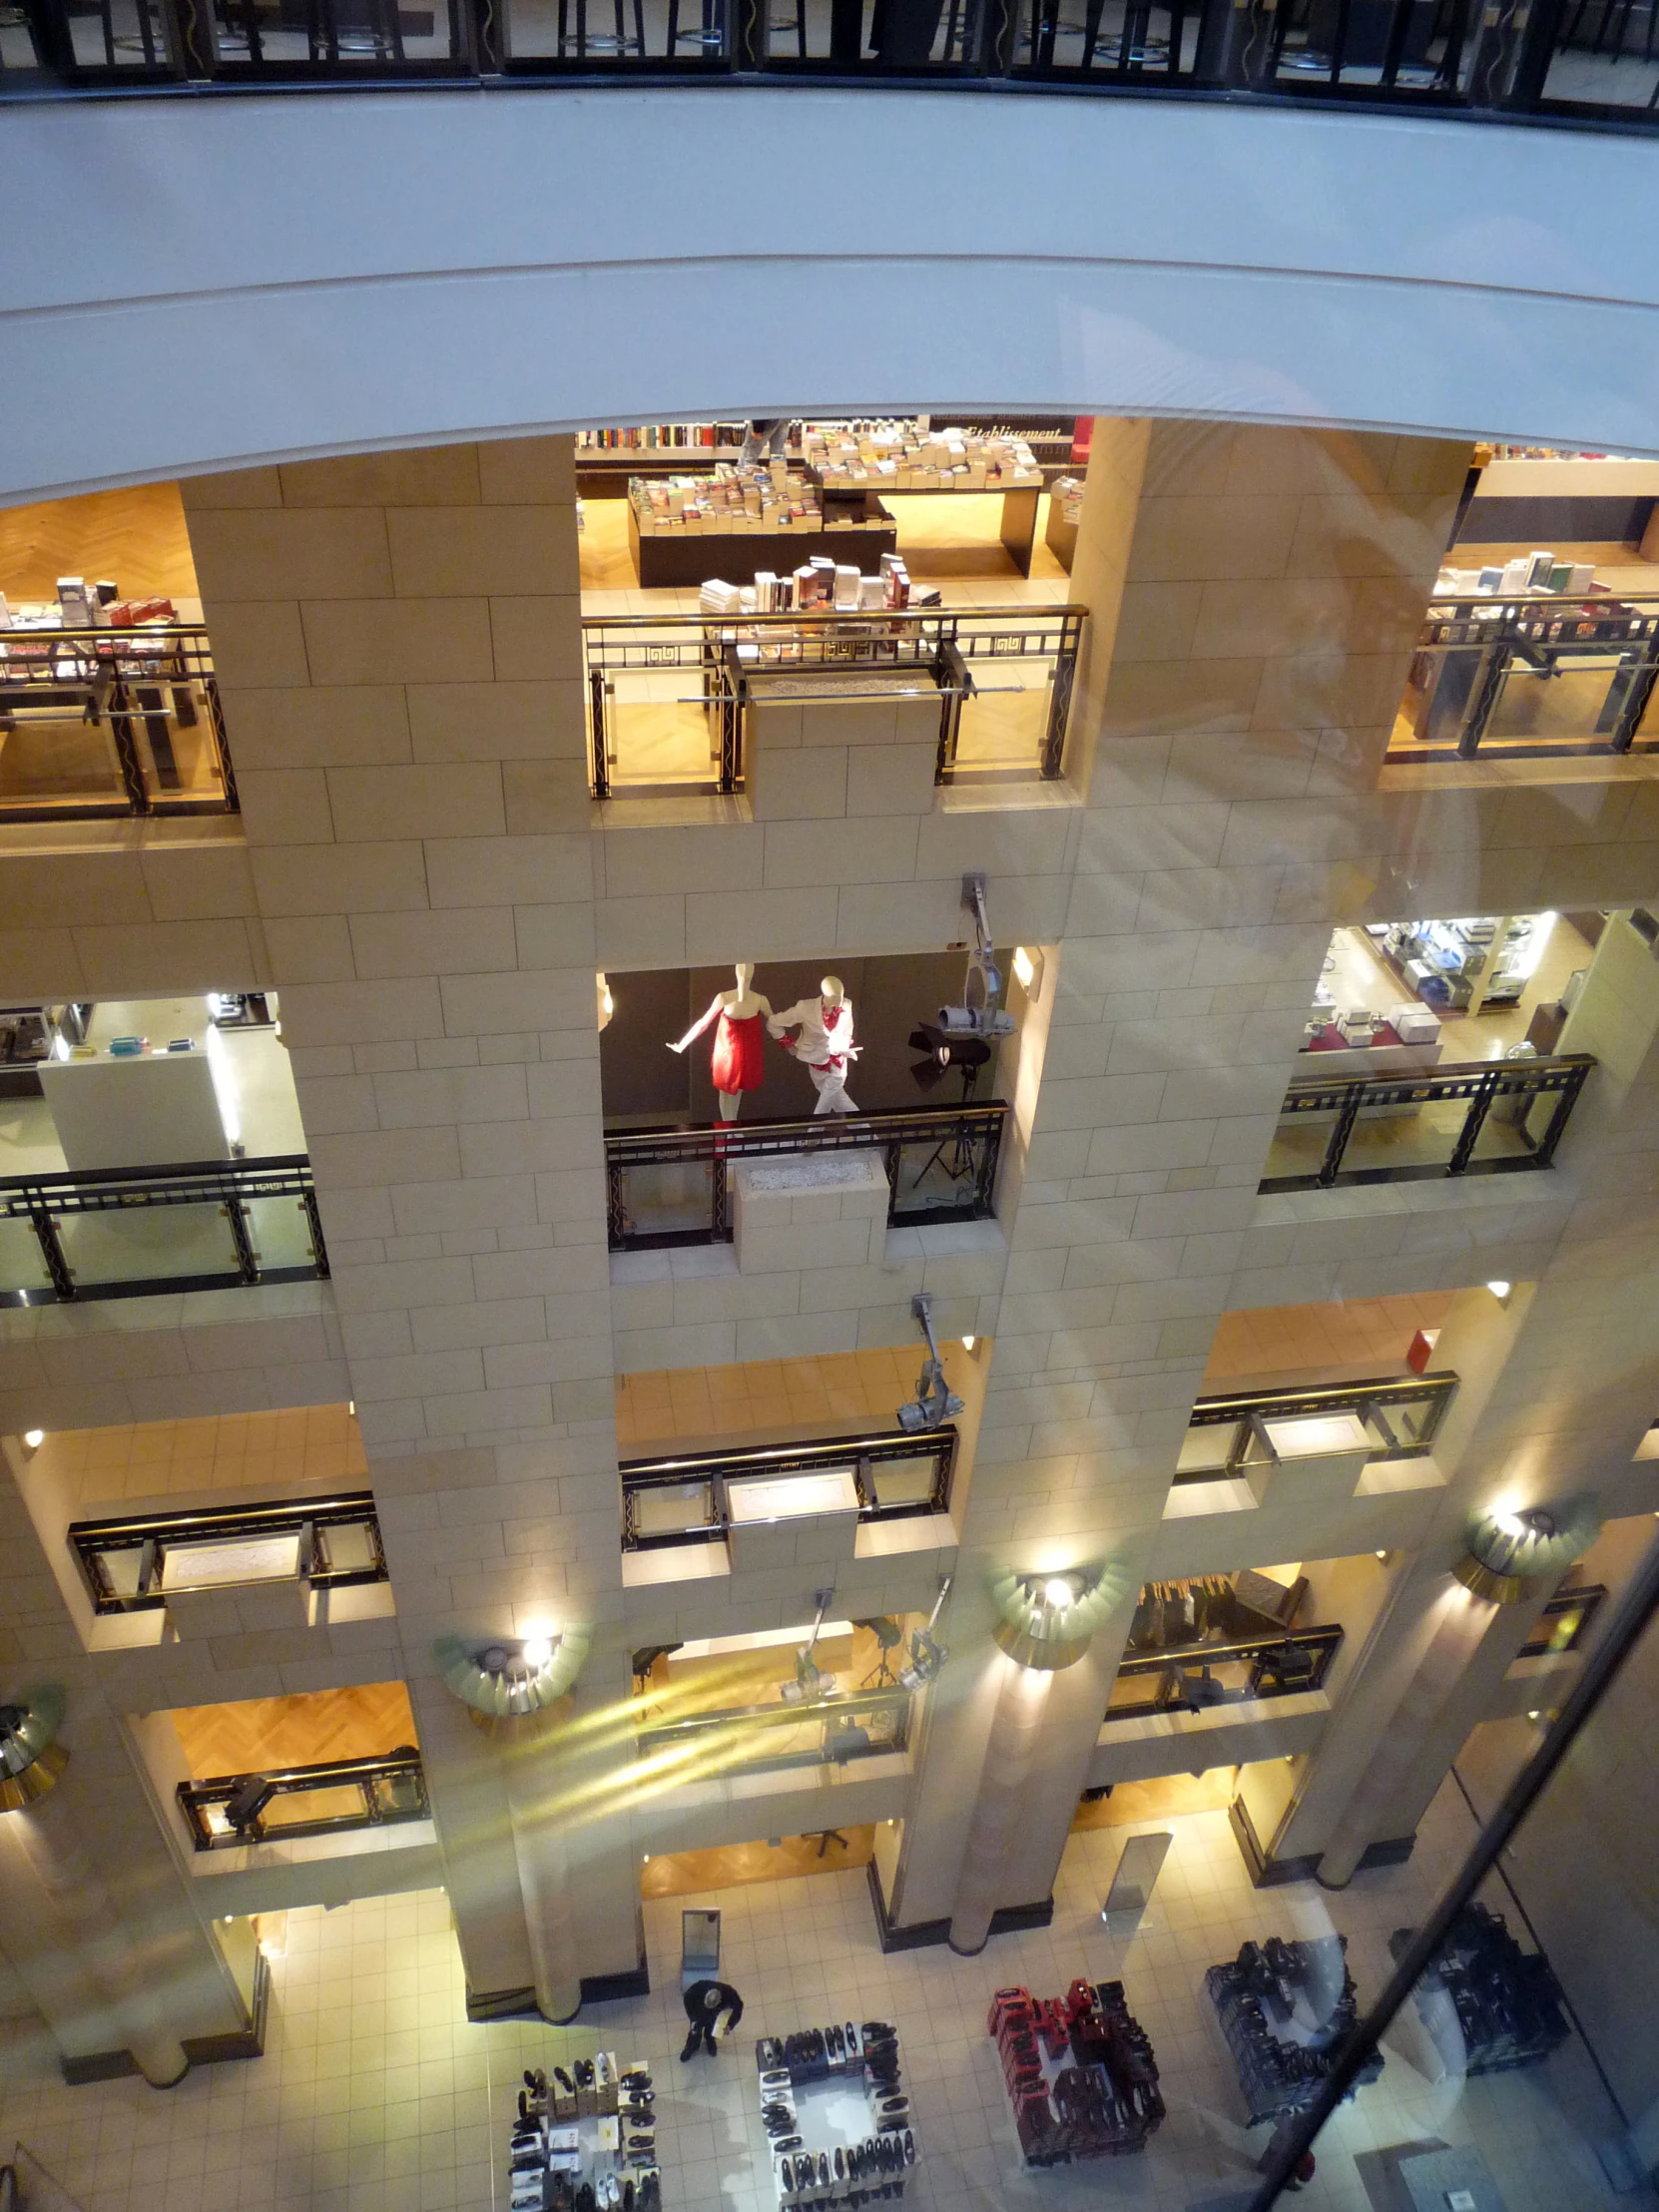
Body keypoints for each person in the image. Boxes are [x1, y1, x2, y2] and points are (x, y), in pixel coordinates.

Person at [768, 976, 859, 1115]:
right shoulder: (806, 1008)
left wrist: (844, 1049)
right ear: (825, 995)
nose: (840, 1000)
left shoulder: (847, 1005)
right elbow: (773, 1023)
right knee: (842, 1104)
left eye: (841, 995)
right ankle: (869, 1134)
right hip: (815, 1062)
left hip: (838, 1065)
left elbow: (847, 1033)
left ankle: (811, 1135)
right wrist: (788, 1044)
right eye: (835, 996)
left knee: (822, 1109)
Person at [681, 1976, 744, 2060]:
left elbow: (738, 2008)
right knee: (694, 2032)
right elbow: (687, 2000)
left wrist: (730, 2025)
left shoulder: (729, 1993)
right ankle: (691, 2047)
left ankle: (710, 2039)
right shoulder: (697, 1989)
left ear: (720, 1999)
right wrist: (693, 2018)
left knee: (712, 2029)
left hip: (715, 2016)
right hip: (698, 2014)